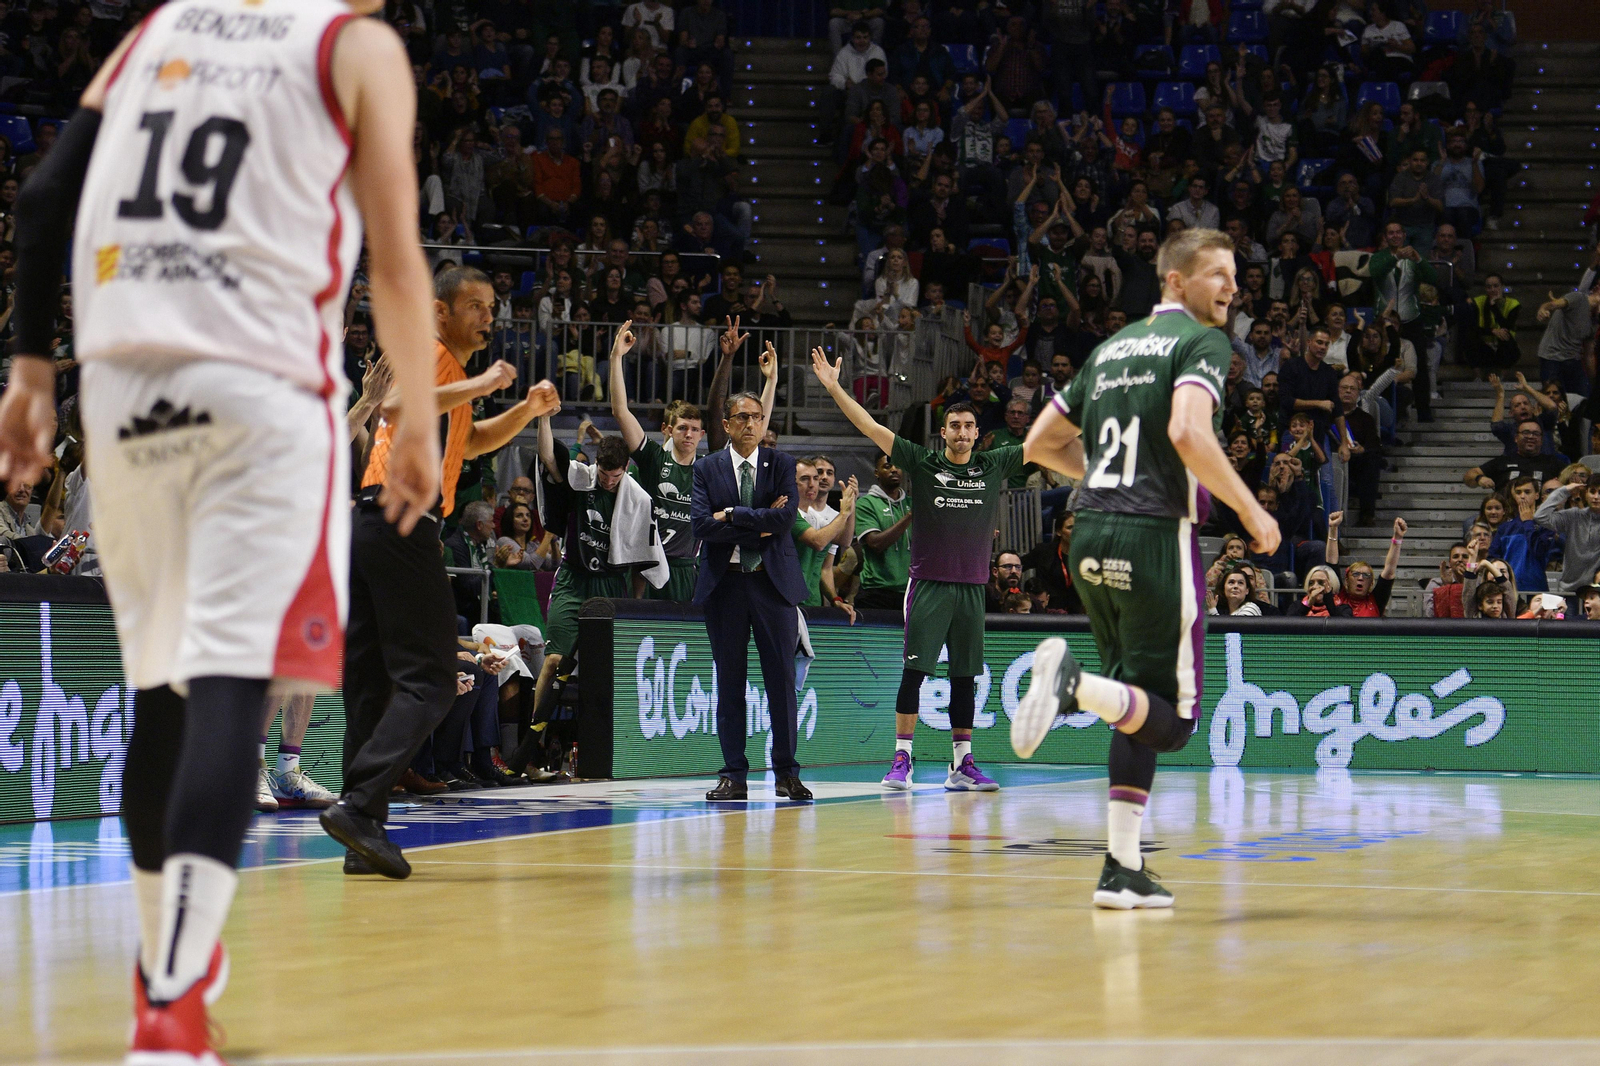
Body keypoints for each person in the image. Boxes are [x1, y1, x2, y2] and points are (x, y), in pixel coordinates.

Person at [0, 0, 445, 1057]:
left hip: (124, 383)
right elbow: (393, 258)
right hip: (260, 385)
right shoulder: (356, 47)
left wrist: (29, 366)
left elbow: (47, 193)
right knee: (231, 683)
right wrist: (420, 417)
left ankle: (168, 971)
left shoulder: (157, 29)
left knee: (163, 689)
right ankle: (171, 998)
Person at [1011, 228, 1281, 909]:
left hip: (1088, 533)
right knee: (1175, 723)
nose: (1232, 287)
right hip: (1155, 537)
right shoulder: (1203, 342)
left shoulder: (1112, 348)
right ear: (1175, 281)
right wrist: (1251, 511)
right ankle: (1071, 686)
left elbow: (1037, 444)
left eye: (1235, 275)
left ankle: (1122, 867)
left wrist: (1104, 473)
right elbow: (1188, 431)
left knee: (1131, 703)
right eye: (1218, 274)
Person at [337, 266, 561, 877]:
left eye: (492, 306)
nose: (489, 316)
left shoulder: (449, 375)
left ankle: (362, 829)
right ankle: (359, 806)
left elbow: (474, 440)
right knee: (435, 678)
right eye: (475, 306)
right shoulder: (431, 355)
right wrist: (484, 381)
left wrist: (524, 409)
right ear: (440, 313)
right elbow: (394, 402)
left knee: (371, 684)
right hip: (402, 519)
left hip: (370, 524)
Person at [813, 344, 1022, 792]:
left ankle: (961, 765)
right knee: (915, 673)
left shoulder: (993, 464)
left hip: (972, 587)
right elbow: (870, 426)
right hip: (928, 585)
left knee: (964, 677)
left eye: (968, 426)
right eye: (954, 426)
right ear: (943, 432)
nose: (962, 432)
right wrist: (833, 388)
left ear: (978, 433)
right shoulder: (923, 462)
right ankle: (902, 759)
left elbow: (1043, 442)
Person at [690, 392, 813, 802]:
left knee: (781, 683)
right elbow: (701, 526)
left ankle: (786, 773)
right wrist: (759, 523)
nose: (750, 424)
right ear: (726, 424)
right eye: (742, 417)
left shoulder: (781, 463)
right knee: (729, 683)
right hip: (725, 585)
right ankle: (733, 776)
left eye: (757, 417)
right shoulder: (707, 467)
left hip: (771, 584)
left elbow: (785, 519)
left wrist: (732, 514)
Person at [610, 322, 711, 603]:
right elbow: (620, 411)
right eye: (682, 428)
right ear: (668, 430)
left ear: (702, 435)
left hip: (686, 570)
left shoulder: (707, 469)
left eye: (694, 429)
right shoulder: (655, 457)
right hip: (648, 566)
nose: (688, 434)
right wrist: (616, 358)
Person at [851, 451, 914, 610]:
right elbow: (875, 543)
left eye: (898, 466)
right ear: (876, 473)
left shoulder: (911, 503)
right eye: (887, 466)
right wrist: (909, 516)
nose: (894, 469)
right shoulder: (866, 503)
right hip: (875, 593)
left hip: (909, 591)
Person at [1534, 477, 1600, 613]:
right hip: (1569, 591)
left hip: (1597, 591)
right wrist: (1564, 491)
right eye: (1592, 491)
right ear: (1585, 493)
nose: (1596, 497)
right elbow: (1540, 517)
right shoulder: (1574, 516)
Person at [1464, 421, 1569, 492]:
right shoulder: (1502, 461)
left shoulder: (1553, 463)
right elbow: (1469, 475)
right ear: (1516, 438)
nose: (1530, 437)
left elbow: (1572, 477)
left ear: (1541, 440)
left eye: (1536, 433)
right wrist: (1479, 478)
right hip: (1505, 514)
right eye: (1526, 432)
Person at [1534, 284, 1598, 398]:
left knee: (1583, 397)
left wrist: (1595, 381)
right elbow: (1553, 304)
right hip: (1552, 357)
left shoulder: (1595, 321)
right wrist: (1543, 309)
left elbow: (1589, 355)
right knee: (1553, 397)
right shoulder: (1578, 298)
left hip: (1573, 359)